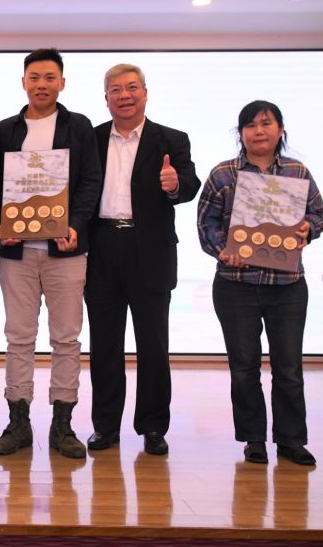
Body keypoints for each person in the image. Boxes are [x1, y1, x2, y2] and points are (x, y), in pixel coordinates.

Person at [197, 100, 323, 466]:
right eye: (250, 125)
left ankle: (291, 441)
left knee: (289, 368)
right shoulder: (223, 174)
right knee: (244, 367)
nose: (259, 131)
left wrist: (308, 227)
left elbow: (317, 214)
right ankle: (253, 439)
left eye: (266, 123)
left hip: (287, 286)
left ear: (280, 130)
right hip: (236, 285)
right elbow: (205, 223)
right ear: (241, 133)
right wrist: (224, 251)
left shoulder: (298, 172)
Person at [0, 48, 102, 459]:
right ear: (23, 82)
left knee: (66, 339)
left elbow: (90, 181)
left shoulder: (79, 126)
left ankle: (62, 426)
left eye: (50, 77)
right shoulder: (4, 130)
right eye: (34, 77)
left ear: (62, 83)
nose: (42, 84)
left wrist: (75, 224)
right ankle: (18, 423)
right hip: (16, 254)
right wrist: (1, 224)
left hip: (67, 251)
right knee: (18, 338)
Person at [84, 63, 200, 456]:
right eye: (115, 90)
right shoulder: (92, 138)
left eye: (132, 87)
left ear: (145, 93)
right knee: (104, 345)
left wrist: (175, 185)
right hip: (102, 248)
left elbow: (190, 183)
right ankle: (105, 426)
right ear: (106, 98)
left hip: (150, 250)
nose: (124, 96)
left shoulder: (171, 139)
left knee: (153, 345)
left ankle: (152, 426)